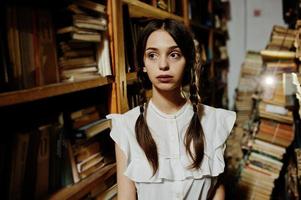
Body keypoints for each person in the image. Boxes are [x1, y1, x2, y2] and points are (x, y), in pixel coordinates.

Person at [107, 18, 236, 200]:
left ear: (188, 61)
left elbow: (217, 187)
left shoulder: (215, 120)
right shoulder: (126, 126)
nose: (163, 65)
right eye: (152, 55)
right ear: (143, 64)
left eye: (174, 54)